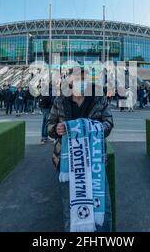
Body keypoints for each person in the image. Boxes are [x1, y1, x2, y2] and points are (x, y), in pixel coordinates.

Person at [47, 66, 114, 232]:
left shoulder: (98, 98)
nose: (80, 82)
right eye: (77, 78)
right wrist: (56, 130)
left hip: (94, 163)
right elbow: (49, 126)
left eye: (84, 79)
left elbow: (109, 123)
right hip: (68, 164)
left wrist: (93, 128)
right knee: (70, 210)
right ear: (70, 81)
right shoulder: (60, 100)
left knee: (101, 208)